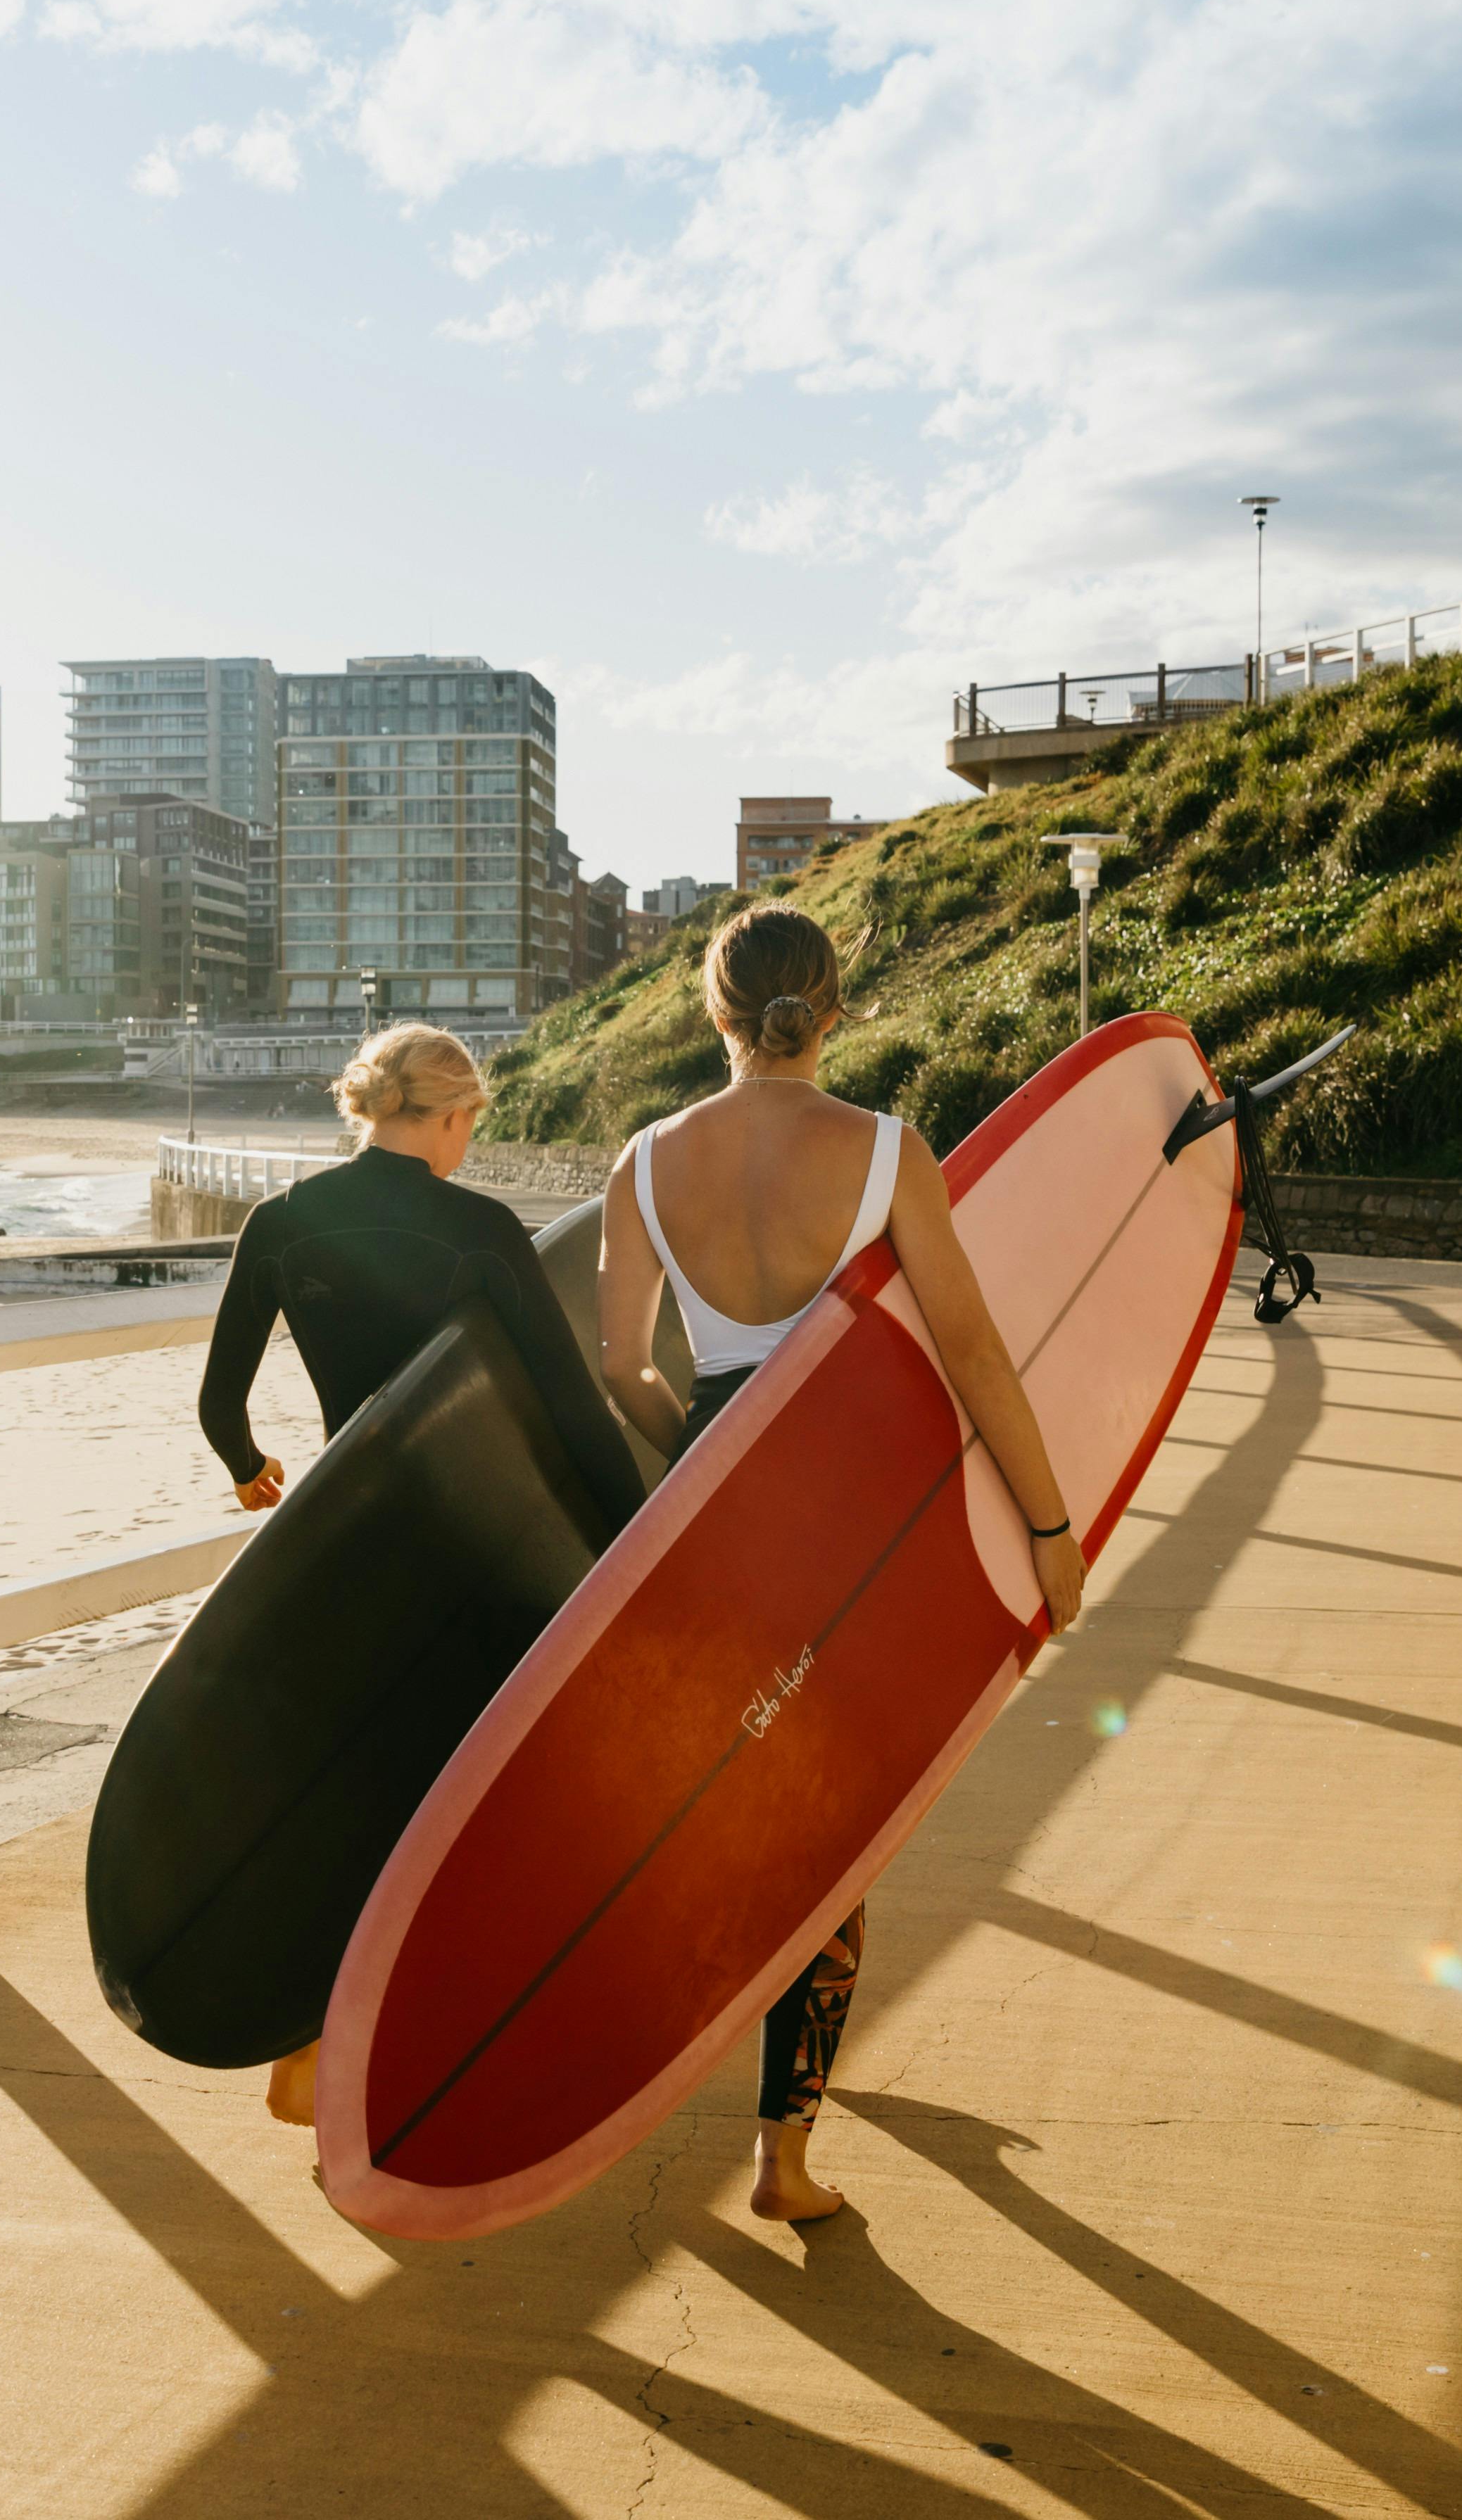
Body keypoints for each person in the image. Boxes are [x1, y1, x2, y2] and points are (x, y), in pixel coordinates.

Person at [593, 903, 1087, 2225]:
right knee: (831, 1830)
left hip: (718, 1515)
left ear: (713, 1010)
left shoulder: (644, 1160)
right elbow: (974, 1353)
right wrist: (1048, 1528)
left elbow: (622, 1365)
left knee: (727, 1799)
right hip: (850, 1515)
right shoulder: (884, 1151)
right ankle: (783, 2159)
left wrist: (700, 1453)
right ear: (835, 1008)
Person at [198, 1020, 648, 2132]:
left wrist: (256, 1475)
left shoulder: (281, 1220)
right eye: (467, 1126)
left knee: (345, 1798)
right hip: (459, 1558)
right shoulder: (482, 1229)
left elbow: (220, 1404)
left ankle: (302, 2050)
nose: (463, 1145)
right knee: (461, 1810)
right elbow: (571, 1410)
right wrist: (638, 1537)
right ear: (449, 1115)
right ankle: (427, 2042)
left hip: (331, 1552)